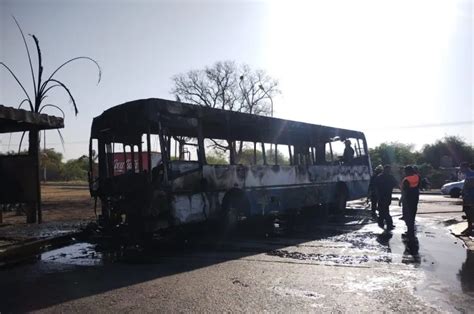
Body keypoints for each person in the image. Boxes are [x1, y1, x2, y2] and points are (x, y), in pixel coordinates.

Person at [374, 165, 398, 230]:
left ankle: (381, 222)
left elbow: (375, 186)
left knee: (382, 210)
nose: (388, 171)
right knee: (385, 210)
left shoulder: (381, 177)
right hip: (384, 196)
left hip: (384, 196)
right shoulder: (386, 177)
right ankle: (388, 223)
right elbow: (395, 184)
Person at [401, 166, 420, 239]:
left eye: (405, 171)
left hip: (408, 198)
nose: (404, 173)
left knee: (407, 216)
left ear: (408, 171)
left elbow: (405, 191)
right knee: (413, 214)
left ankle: (409, 232)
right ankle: (411, 231)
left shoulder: (406, 179)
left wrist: (401, 200)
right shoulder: (417, 176)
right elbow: (418, 186)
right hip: (415, 196)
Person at [460, 162, 474, 235]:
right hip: (468, 196)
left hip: (470, 197)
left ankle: (470, 228)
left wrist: (465, 192)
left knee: (469, 213)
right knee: (467, 212)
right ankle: (469, 227)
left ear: (465, 167)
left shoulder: (471, 175)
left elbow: (469, 186)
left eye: (461, 167)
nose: (460, 169)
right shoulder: (468, 174)